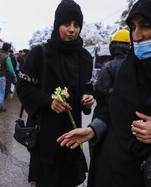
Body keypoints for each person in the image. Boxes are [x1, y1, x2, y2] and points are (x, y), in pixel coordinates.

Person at [57, 0, 151, 186]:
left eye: (146, 25)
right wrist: (93, 129)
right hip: (113, 171)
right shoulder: (131, 68)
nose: (136, 35)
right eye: (133, 27)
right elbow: (115, 109)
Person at [16, 0, 94, 186]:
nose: (72, 29)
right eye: (66, 24)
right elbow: (23, 88)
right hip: (45, 137)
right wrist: (47, 101)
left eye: (76, 25)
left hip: (73, 135)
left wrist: (88, 98)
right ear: (57, 24)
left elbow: (87, 86)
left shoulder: (85, 57)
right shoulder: (40, 53)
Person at [88, 29, 131, 155]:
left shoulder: (108, 67)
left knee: (99, 151)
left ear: (112, 47)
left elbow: (100, 91)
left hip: (103, 116)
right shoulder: (136, 67)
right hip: (127, 119)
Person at [0, 43, 17, 112]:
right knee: (1, 91)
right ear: (8, 49)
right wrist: (15, 77)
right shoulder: (7, 57)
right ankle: (0, 107)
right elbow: (11, 69)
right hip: (2, 76)